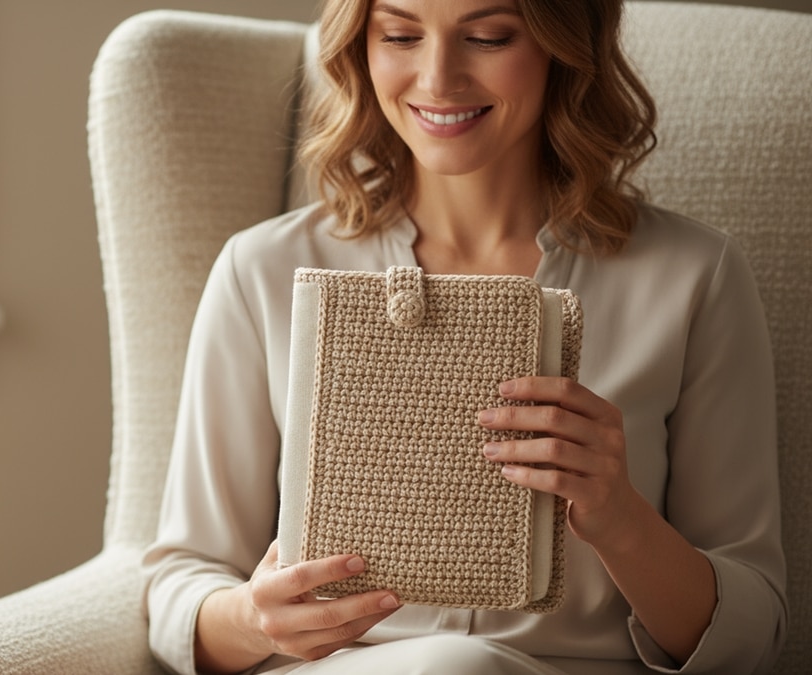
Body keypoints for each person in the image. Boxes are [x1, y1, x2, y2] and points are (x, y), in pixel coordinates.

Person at [142, 0, 787, 673]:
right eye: (400, 35)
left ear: (564, 45)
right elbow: (179, 587)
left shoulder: (692, 277)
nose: (438, 77)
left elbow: (754, 631)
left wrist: (620, 516)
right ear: (360, 47)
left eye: (487, 37)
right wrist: (255, 619)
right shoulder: (265, 270)